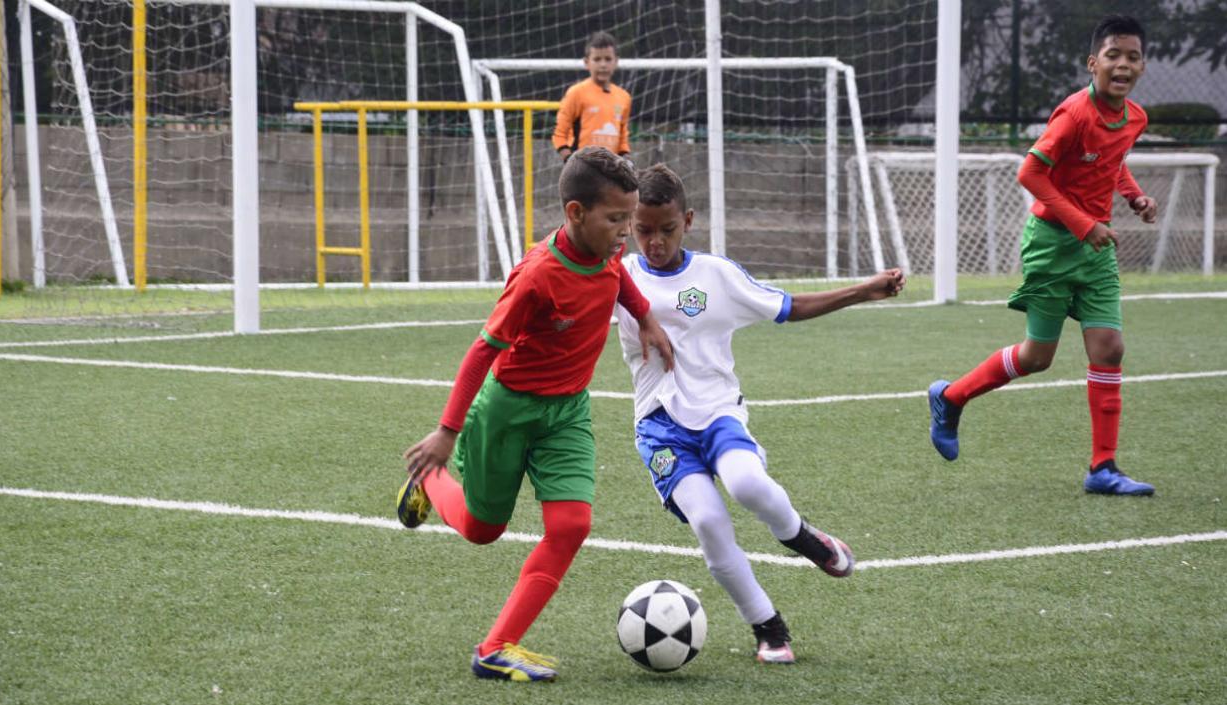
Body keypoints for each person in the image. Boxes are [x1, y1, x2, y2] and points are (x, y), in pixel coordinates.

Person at [396, 147, 673, 683]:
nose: (627, 232)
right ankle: (430, 478)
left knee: (571, 525)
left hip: (568, 413)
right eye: (617, 219)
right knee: (482, 530)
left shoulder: (606, 250)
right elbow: (482, 350)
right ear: (575, 213)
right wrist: (446, 433)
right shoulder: (538, 275)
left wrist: (645, 319)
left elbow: (618, 277)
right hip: (507, 410)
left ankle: (496, 647)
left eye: (629, 218)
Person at [614, 163, 905, 664]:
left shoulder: (716, 276)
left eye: (666, 229)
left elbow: (787, 306)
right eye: (642, 230)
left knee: (748, 485)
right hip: (659, 426)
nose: (654, 241)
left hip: (719, 412)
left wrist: (863, 289)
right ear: (628, 225)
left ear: (688, 220)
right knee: (707, 521)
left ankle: (802, 536)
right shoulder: (615, 277)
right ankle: (769, 627)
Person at [928, 15, 1158, 496]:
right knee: (1038, 357)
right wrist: (1082, 223)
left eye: (1132, 57)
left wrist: (1134, 196)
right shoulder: (1073, 114)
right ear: (1093, 63)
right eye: (1113, 55)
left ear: (1142, 66)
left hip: (1096, 249)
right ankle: (951, 397)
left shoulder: (1135, 117)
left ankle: (1103, 468)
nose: (1123, 64)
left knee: (1110, 348)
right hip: (1053, 245)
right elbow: (1031, 174)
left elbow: (1112, 165)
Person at [552, 31, 631, 162]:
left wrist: (626, 158)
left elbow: (623, 137)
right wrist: (570, 159)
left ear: (616, 62)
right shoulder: (576, 93)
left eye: (608, 59)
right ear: (586, 62)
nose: (603, 65)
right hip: (583, 168)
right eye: (597, 59)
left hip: (611, 170)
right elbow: (559, 134)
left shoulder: (624, 97)